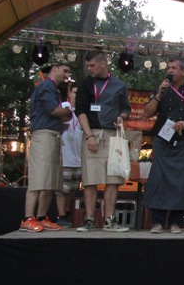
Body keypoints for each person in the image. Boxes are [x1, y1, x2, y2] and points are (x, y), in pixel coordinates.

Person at [143, 56, 184, 234]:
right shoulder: (161, 89)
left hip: (182, 143)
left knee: (180, 182)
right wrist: (158, 95)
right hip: (162, 142)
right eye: (169, 67)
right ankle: (157, 222)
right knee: (159, 180)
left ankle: (175, 222)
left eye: (174, 68)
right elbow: (146, 113)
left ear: (183, 71)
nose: (170, 70)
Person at [74, 50, 132, 232]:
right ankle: (89, 218)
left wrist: (122, 117)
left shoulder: (119, 85)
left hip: (113, 135)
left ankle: (109, 220)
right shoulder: (85, 84)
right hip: (92, 133)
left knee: (113, 179)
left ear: (103, 64)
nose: (89, 69)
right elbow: (80, 110)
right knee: (90, 179)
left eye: (92, 65)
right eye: (88, 66)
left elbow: (126, 109)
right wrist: (89, 135)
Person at [20, 62, 72, 232]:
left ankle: (41, 217)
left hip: (53, 135)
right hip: (44, 136)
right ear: (54, 68)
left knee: (50, 181)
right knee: (38, 178)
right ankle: (27, 218)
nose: (66, 75)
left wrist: (60, 123)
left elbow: (50, 113)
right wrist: (68, 112)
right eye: (64, 70)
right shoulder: (46, 86)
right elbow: (54, 110)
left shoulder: (53, 89)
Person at [54, 84, 82, 227]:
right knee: (62, 189)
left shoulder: (83, 111)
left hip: (78, 158)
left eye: (80, 93)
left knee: (72, 189)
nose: (77, 95)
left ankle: (67, 213)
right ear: (70, 94)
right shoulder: (64, 107)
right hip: (65, 156)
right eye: (75, 92)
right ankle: (61, 215)